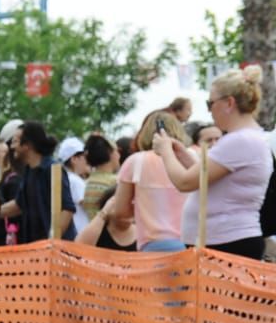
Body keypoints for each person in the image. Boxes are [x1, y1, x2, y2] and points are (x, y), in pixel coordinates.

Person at [156, 66, 271, 259]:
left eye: (210, 104)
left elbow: (185, 182)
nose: (209, 111)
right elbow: (210, 175)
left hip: (226, 243)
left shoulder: (239, 141)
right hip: (226, 241)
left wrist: (165, 151)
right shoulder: (246, 138)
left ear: (229, 103)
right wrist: (183, 155)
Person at [109, 109, 191, 252]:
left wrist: (141, 210)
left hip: (153, 245)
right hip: (190, 244)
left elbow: (120, 212)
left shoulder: (135, 161)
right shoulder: (191, 158)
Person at [2, 121, 76, 245]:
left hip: (54, 251)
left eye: (14, 141)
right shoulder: (28, 171)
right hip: (35, 249)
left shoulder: (52, 169)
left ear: (27, 145)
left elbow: (67, 209)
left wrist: (52, 240)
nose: (11, 147)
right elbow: (18, 205)